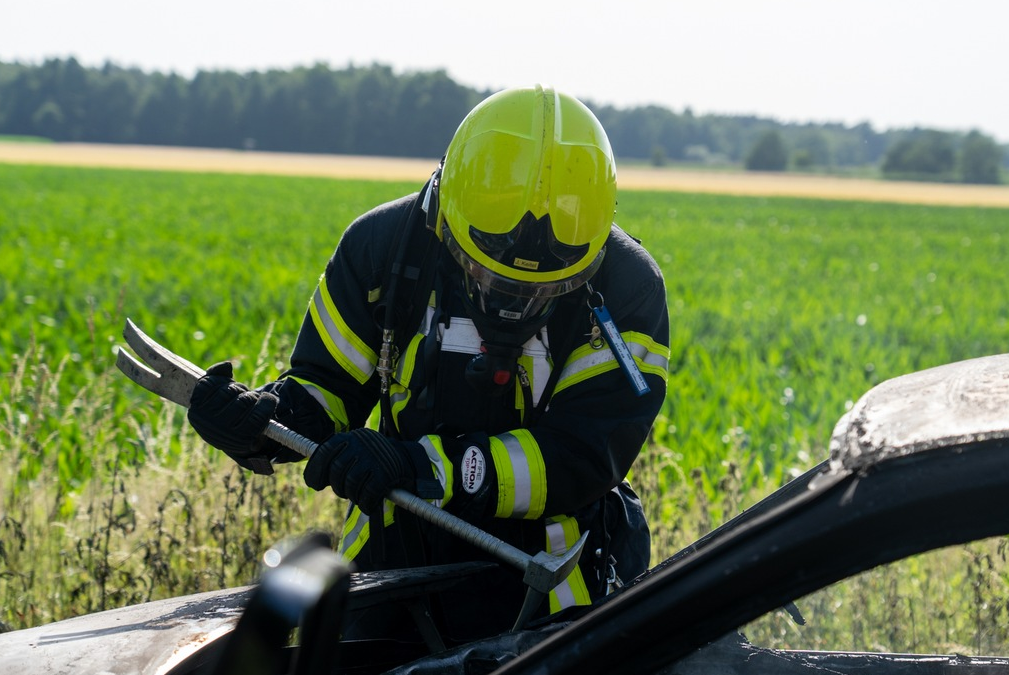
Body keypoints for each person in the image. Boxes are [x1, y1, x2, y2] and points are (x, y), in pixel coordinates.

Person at [186, 85, 670, 642]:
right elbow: (325, 389)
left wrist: (423, 465)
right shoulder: (381, 250)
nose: (511, 299)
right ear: (446, 218)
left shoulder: (627, 287)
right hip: (393, 563)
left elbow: (583, 455)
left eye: (548, 289)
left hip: (553, 580)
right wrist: (263, 422)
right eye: (486, 272)